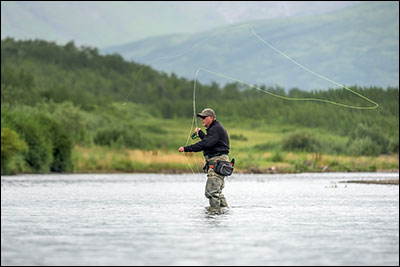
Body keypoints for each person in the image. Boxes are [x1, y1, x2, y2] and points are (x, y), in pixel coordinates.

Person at [178, 108, 230, 208]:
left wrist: (185, 148)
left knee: (211, 193)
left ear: (211, 118)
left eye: (204, 117)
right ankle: (224, 213)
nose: (202, 120)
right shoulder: (214, 129)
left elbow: (205, 144)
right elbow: (210, 142)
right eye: (201, 118)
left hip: (217, 162)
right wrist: (201, 134)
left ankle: (214, 215)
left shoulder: (215, 129)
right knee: (216, 193)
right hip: (219, 162)